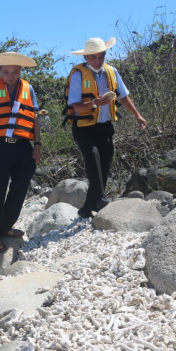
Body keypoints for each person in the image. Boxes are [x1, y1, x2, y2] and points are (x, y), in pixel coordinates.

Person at [65, 37, 147, 219]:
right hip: (83, 127)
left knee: (104, 165)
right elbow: (75, 106)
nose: (97, 60)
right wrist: (95, 103)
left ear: (104, 55)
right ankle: (101, 200)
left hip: (105, 126)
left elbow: (123, 96)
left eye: (100, 56)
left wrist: (137, 115)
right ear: (86, 57)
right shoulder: (78, 74)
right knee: (93, 158)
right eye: (93, 57)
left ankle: (86, 208)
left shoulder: (112, 72)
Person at [0, 52, 42, 254]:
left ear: (20, 71)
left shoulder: (28, 89)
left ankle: (6, 226)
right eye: (6, 71)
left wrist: (38, 145)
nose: (11, 75)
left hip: (23, 146)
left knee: (20, 188)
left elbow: (34, 119)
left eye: (15, 71)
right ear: (0, 71)